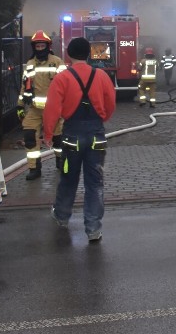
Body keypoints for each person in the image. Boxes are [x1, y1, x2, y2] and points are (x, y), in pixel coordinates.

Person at [43, 37, 116, 243]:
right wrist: (101, 120)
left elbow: (52, 110)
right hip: (96, 135)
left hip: (71, 137)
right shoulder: (101, 76)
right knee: (95, 183)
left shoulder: (62, 78)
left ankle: (62, 216)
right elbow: (110, 104)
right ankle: (93, 229)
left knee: (68, 178)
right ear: (89, 54)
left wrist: (48, 135)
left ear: (69, 54)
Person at [17, 30, 66, 180]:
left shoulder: (57, 62)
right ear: (34, 48)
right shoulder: (30, 65)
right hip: (34, 109)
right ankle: (34, 168)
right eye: (37, 46)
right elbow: (24, 86)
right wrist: (19, 105)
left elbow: (66, 85)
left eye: (42, 46)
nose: (40, 49)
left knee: (58, 139)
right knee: (29, 136)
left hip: (55, 110)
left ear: (48, 46)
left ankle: (60, 160)